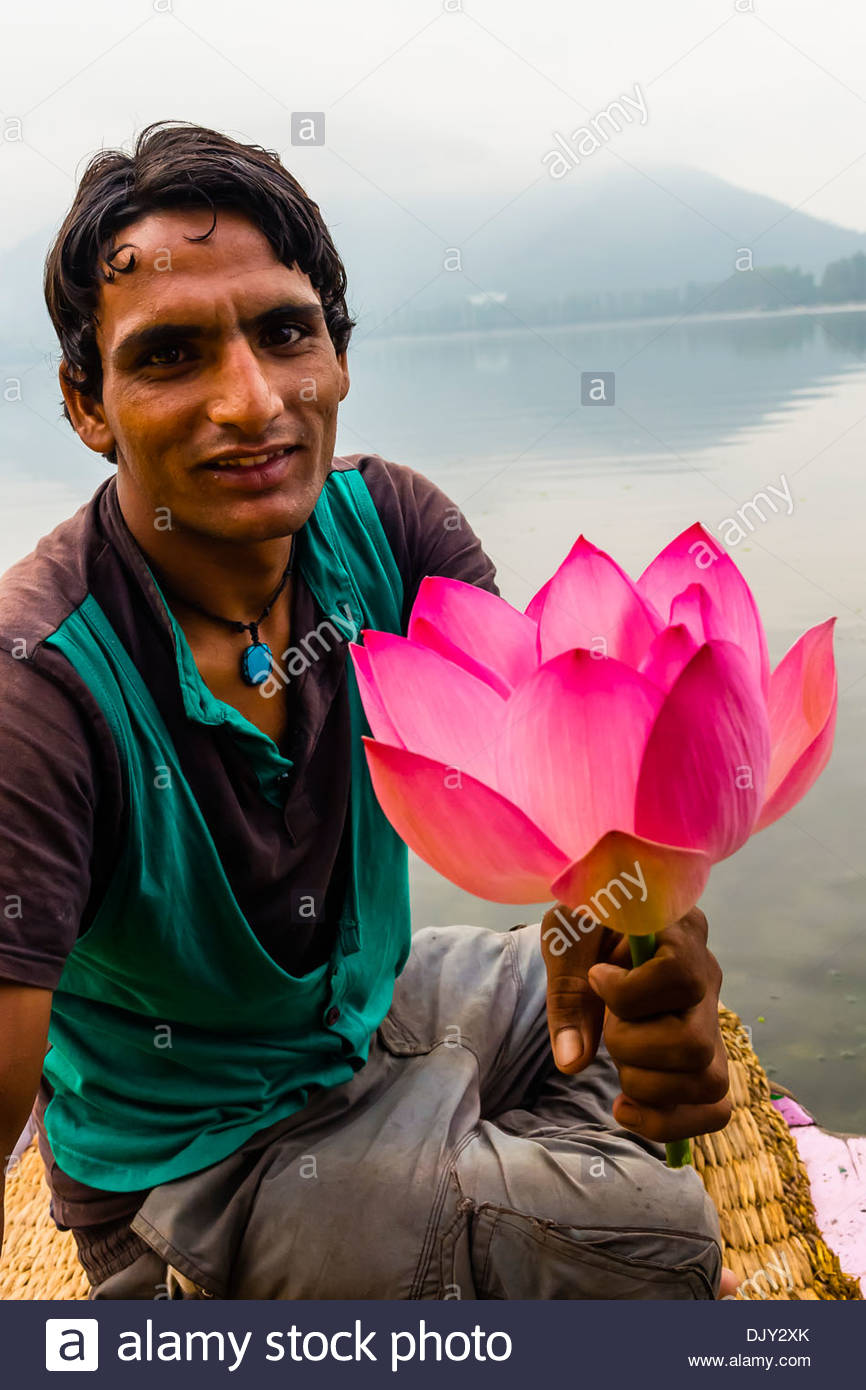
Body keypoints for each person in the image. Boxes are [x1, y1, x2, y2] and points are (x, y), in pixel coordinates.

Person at [0, 121, 735, 1300]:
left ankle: (434, 1180)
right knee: (660, 1237)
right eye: (171, 356)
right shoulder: (36, 684)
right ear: (88, 405)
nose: (250, 402)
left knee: (593, 1002)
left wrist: (637, 947)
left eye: (284, 332)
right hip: (193, 1172)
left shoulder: (393, 531)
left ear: (335, 356)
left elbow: (562, 827)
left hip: (360, 1013)